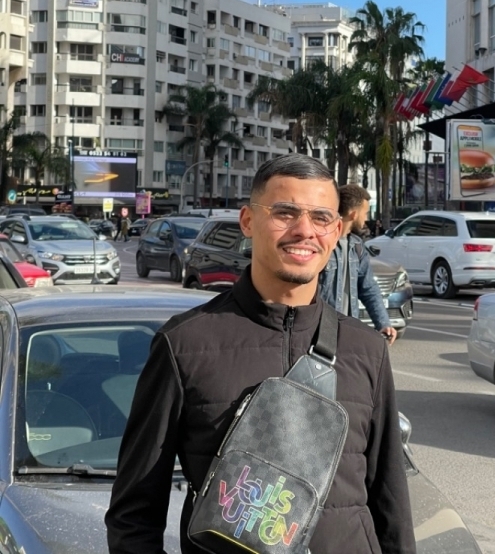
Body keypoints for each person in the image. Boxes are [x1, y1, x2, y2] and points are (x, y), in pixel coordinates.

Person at [106, 155, 415, 554]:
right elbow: (134, 516)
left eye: (321, 218)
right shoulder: (184, 345)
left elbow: (391, 502)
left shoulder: (366, 349)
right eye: (285, 213)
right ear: (248, 221)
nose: (304, 230)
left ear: (337, 230)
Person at [319, 184, 398, 345]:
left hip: (347, 332)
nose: (366, 218)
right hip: (319, 331)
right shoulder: (322, 243)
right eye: (365, 213)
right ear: (353, 214)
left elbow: (368, 288)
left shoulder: (357, 247)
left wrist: (383, 323)